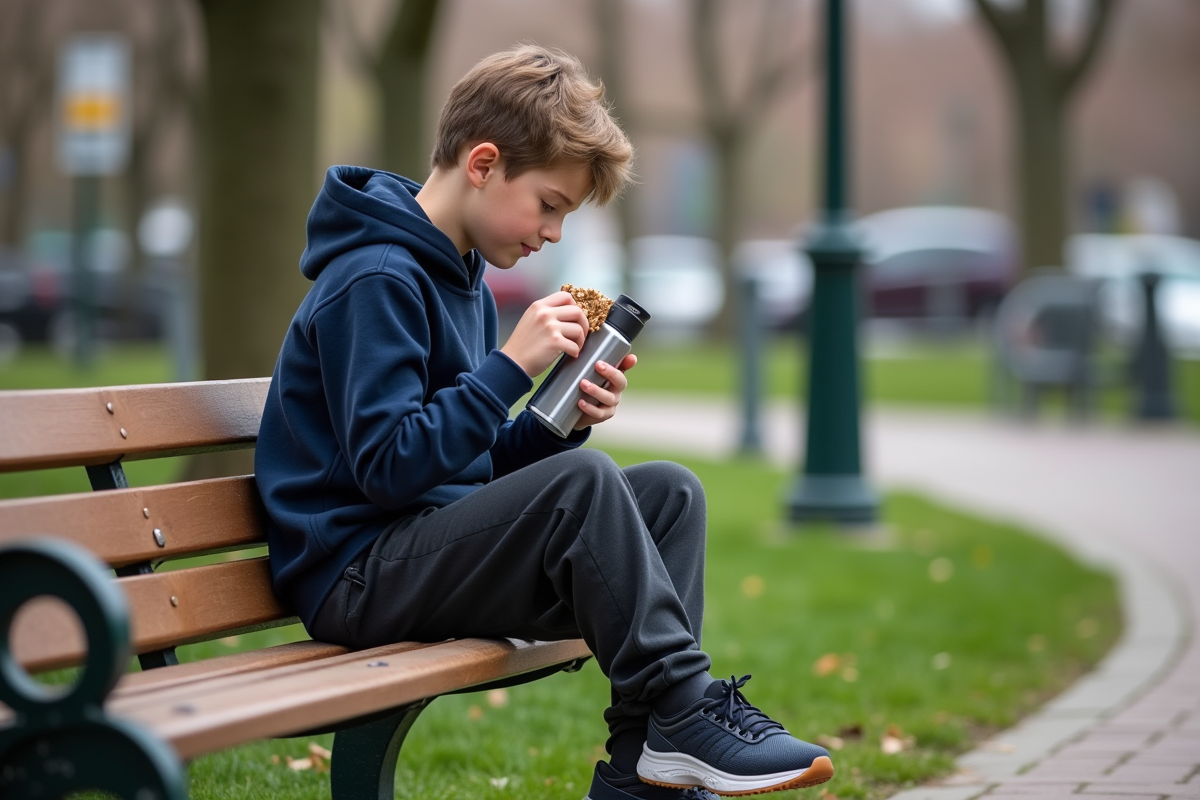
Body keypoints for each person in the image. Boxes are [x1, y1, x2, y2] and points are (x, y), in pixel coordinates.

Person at [255, 44, 833, 799]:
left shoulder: (456, 271)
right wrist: (509, 370)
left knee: (670, 494)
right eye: (550, 205)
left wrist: (557, 424)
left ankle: (645, 770)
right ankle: (686, 708)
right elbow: (389, 465)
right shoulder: (375, 277)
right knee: (584, 486)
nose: (553, 233)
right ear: (484, 162)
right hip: (355, 575)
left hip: (420, 545)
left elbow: (469, 463)